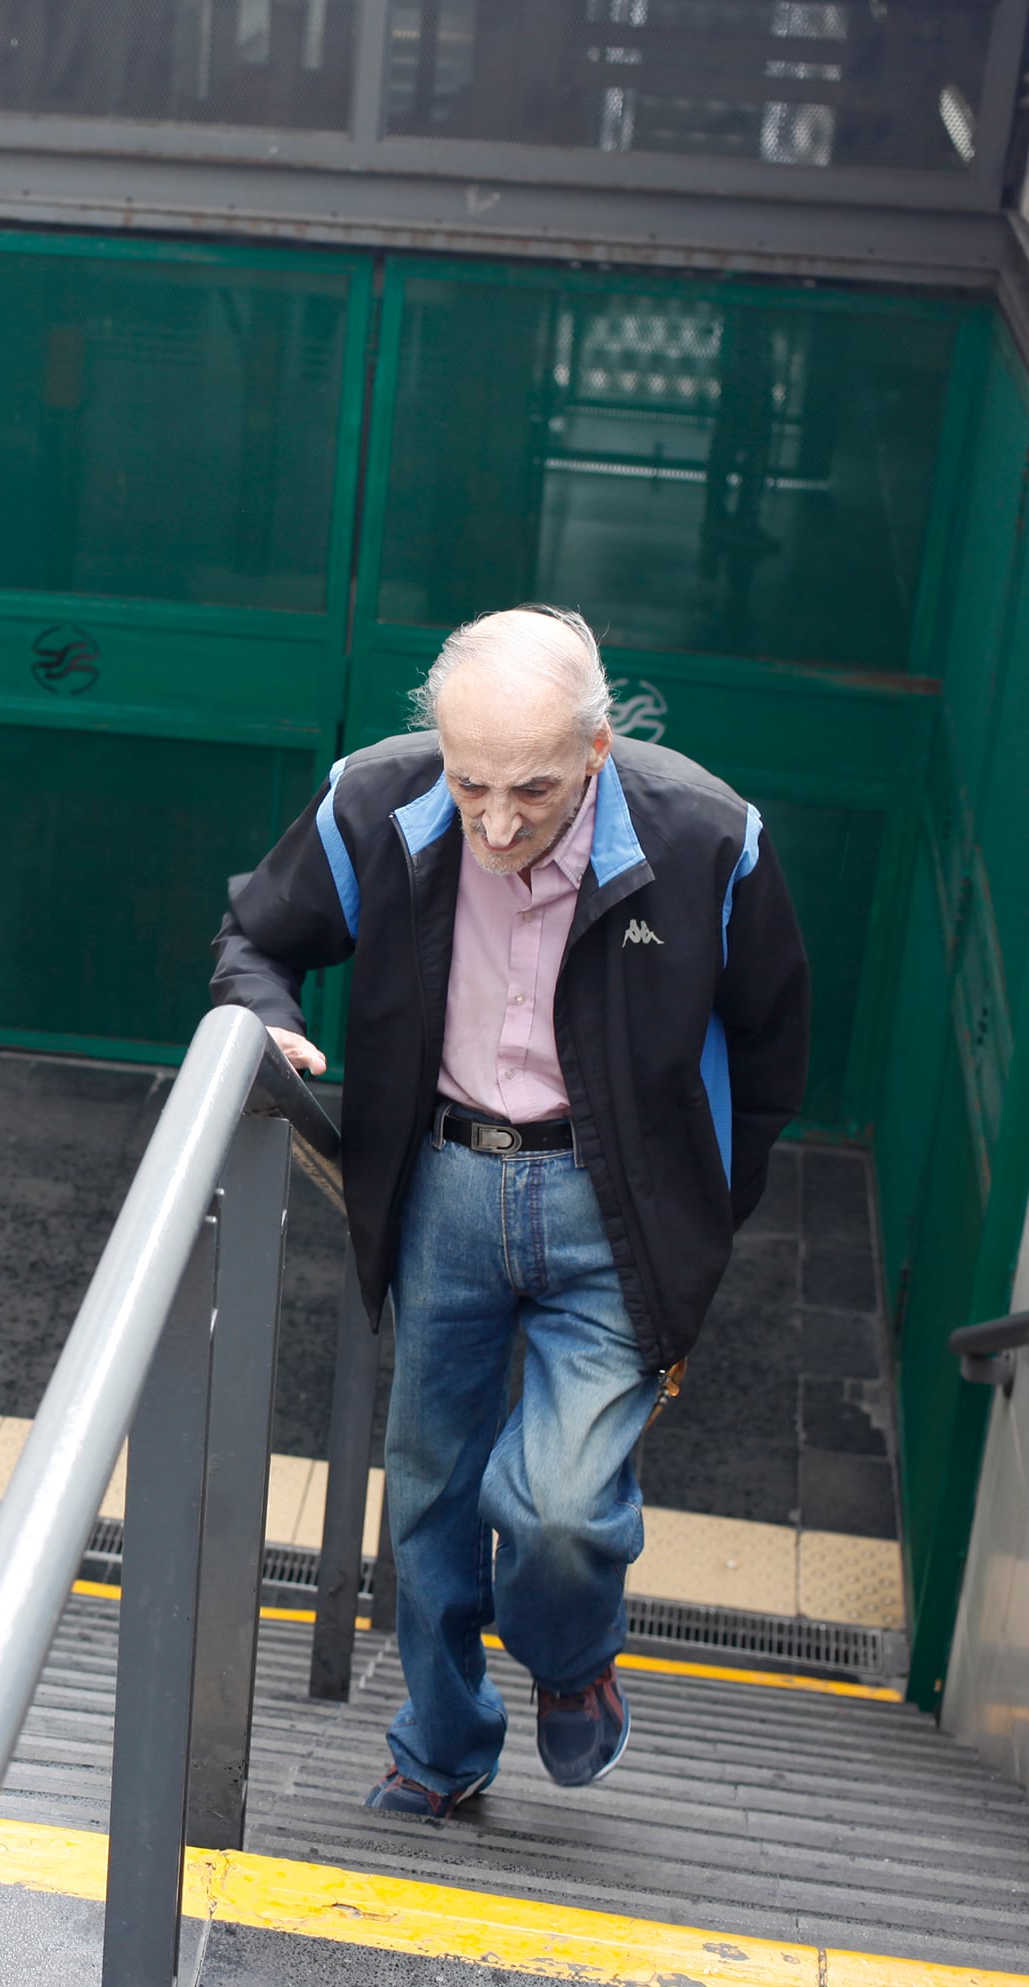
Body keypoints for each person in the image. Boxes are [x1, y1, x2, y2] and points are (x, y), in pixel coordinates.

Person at [211, 605, 808, 1808]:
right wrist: (265, 1022)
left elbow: (772, 1048)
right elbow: (254, 937)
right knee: (429, 1490)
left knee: (559, 1509)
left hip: (613, 1205)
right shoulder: (376, 802)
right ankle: (442, 1748)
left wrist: (699, 1207)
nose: (493, 821)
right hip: (446, 1186)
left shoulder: (706, 837)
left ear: (596, 750)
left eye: (531, 789)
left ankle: (572, 1659)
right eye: (469, 779)